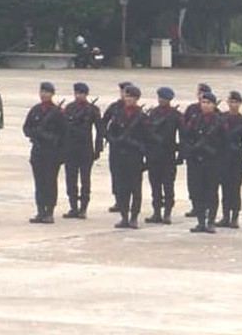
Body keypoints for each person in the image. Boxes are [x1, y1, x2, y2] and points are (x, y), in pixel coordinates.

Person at [180, 91, 228, 233]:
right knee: (197, 192)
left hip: (212, 162)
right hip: (196, 161)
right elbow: (186, 137)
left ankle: (211, 221)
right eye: (203, 102)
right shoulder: (195, 119)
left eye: (208, 103)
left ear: (214, 105)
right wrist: (191, 150)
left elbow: (225, 143)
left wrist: (214, 152)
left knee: (211, 192)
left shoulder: (219, 121)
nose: (205, 105)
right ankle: (201, 221)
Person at [105, 85, 150, 229]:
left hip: (134, 156)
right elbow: (110, 131)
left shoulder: (142, 117)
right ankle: (124, 216)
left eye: (132, 97)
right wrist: (114, 140)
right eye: (127, 96)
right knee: (121, 187)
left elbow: (146, 138)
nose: (128, 99)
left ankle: (134, 217)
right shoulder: (118, 114)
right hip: (119, 155)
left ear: (137, 99)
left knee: (135, 188)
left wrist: (136, 145)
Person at [23, 81, 66, 224]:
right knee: (39, 183)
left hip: (51, 152)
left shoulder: (58, 112)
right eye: (42, 91)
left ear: (52, 94)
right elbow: (26, 128)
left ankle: (49, 212)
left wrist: (49, 137)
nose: (43, 94)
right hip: (38, 151)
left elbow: (64, 133)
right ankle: (40, 210)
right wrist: (35, 133)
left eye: (47, 92)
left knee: (50, 183)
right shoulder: (35, 110)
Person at [60, 82, 101, 219]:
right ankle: (73, 207)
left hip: (85, 149)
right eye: (77, 93)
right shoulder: (69, 108)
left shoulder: (92, 110)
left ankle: (83, 208)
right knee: (71, 179)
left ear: (86, 94)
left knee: (85, 180)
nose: (79, 96)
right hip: (70, 148)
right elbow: (62, 129)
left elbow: (99, 130)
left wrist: (98, 148)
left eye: (81, 94)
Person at [144, 87, 182, 225]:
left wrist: (181, 154)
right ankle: (156, 212)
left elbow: (182, 135)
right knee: (155, 185)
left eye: (164, 98)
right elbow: (146, 133)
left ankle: (167, 213)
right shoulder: (153, 113)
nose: (161, 100)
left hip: (168, 154)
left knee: (168, 185)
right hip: (154, 154)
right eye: (160, 98)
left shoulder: (175, 115)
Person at [217, 90, 242, 229]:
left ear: (240, 104)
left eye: (236, 102)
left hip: (237, 158)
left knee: (235, 189)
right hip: (223, 157)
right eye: (231, 102)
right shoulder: (222, 118)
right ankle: (225, 216)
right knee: (225, 188)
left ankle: (235, 217)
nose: (233, 105)